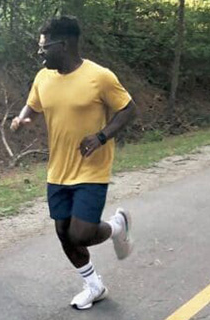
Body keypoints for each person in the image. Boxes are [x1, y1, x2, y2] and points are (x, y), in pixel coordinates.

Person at [10, 16, 137, 310]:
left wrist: (102, 136)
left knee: (80, 233)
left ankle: (117, 226)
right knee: (62, 233)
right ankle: (94, 285)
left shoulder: (100, 76)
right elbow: (31, 106)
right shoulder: (43, 77)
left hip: (92, 168)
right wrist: (21, 118)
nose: (40, 53)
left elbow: (128, 110)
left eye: (44, 47)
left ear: (63, 45)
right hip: (58, 169)